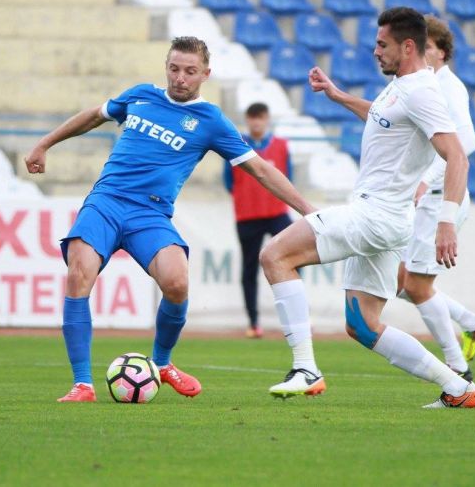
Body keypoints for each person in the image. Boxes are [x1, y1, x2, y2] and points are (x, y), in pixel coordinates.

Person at [25, 36, 315, 402]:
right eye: (174, 69)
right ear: (166, 67)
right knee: (79, 272)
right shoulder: (140, 96)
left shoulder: (212, 121)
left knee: (177, 282)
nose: (180, 78)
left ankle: (161, 363)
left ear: (205, 74)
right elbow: (94, 116)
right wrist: (44, 144)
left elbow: (260, 169)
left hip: (151, 212)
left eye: (190, 71)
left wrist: (307, 211)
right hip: (106, 202)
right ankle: (82, 384)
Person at [259, 7, 475, 409]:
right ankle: (458, 387)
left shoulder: (421, 90)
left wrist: (447, 222)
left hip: (376, 215)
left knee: (275, 255)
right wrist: (338, 95)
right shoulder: (402, 86)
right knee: (362, 325)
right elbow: (383, 117)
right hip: (385, 219)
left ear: (408, 46)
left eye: (382, 44)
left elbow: (457, 155)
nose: (375, 51)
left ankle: (306, 369)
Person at [396, 15, 475, 381]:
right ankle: (473, 323)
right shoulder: (423, 84)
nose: (422, 52)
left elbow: (466, 143)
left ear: (442, 52)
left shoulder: (449, 88)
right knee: (400, 282)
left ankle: (458, 369)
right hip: (427, 197)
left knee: (415, 286)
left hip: (441, 197)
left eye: (428, 47)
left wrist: (426, 179)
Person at [223, 102, 293, 339]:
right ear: (247, 120)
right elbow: (229, 182)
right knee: (249, 268)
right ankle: (253, 322)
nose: (256, 123)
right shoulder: (236, 146)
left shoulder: (281, 146)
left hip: (276, 212)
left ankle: (296, 317)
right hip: (248, 215)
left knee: (294, 259)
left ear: (267, 119)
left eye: (260, 117)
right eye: (252, 118)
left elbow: (288, 177)